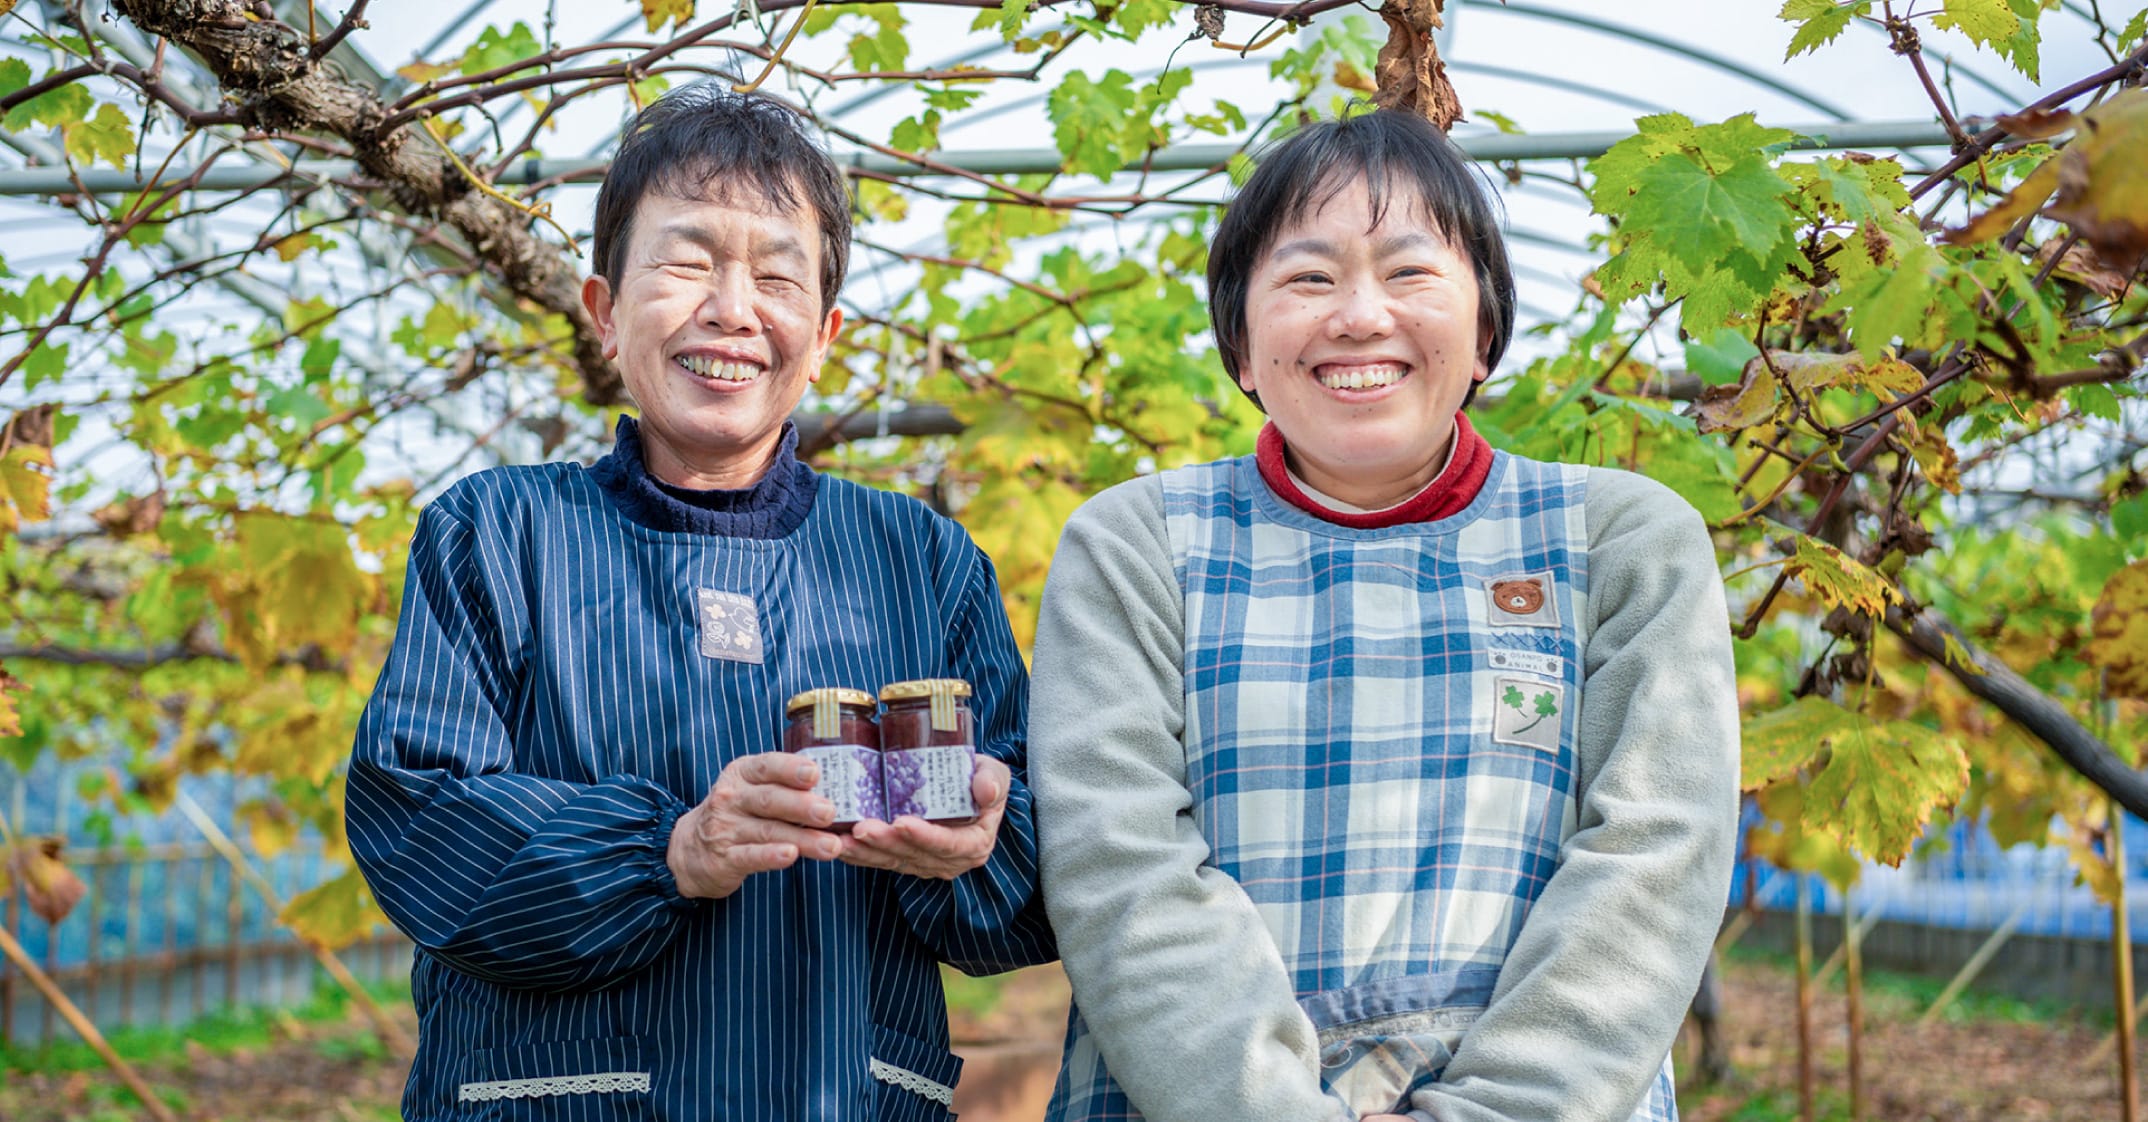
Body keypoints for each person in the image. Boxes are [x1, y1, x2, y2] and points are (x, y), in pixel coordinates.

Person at [346, 85, 1054, 1122]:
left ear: (822, 334)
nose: (732, 307)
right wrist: (671, 852)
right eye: (687, 263)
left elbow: (1038, 887)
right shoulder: (495, 534)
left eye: (777, 274)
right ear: (604, 310)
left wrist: (983, 839)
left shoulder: (922, 559)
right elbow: (419, 824)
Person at [1030, 109, 1739, 1122]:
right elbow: (1123, 872)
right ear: (1240, 346)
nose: (1361, 316)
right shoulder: (1139, 544)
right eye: (1309, 279)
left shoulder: (1621, 539)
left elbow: (1653, 863)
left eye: (1411, 274)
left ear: (1484, 331)